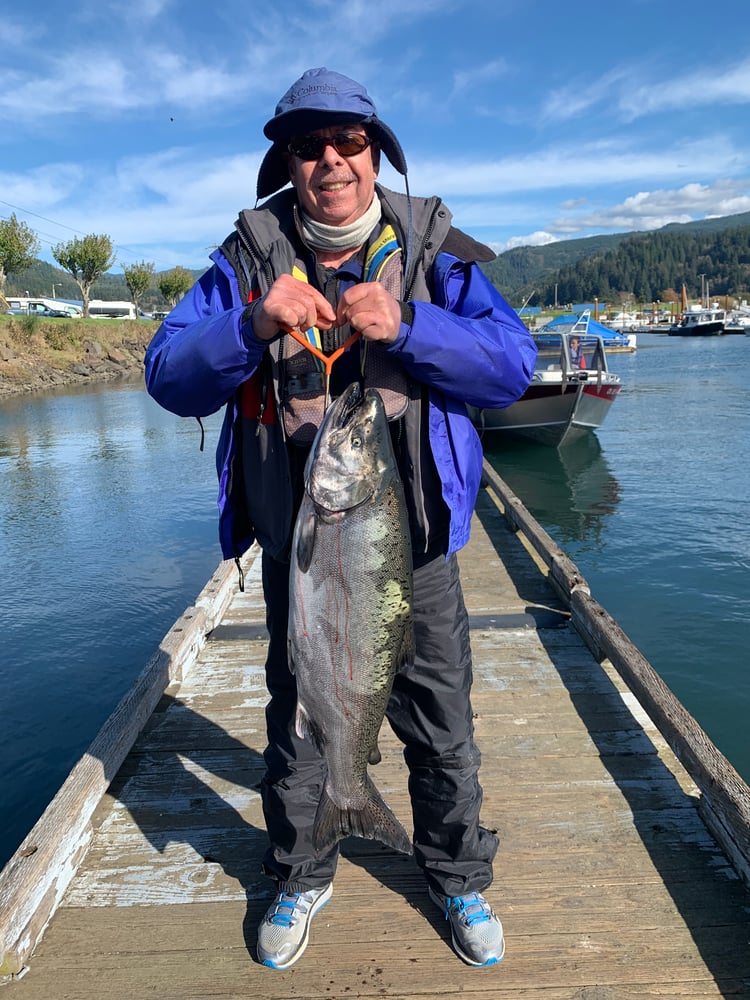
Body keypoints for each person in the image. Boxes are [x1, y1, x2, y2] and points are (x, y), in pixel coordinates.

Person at [145, 67, 537, 971]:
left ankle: (455, 875)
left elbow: (512, 366)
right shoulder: (245, 258)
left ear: (377, 153)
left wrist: (410, 326)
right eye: (309, 145)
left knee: (441, 727)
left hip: (419, 554)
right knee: (301, 720)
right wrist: (248, 326)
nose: (330, 160)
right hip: (306, 557)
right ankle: (301, 869)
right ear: (286, 159)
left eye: (349, 142)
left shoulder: (435, 249)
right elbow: (167, 374)